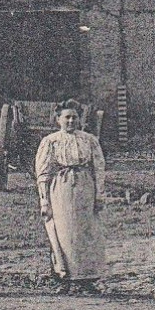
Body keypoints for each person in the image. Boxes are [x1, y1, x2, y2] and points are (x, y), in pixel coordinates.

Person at [36, 99, 107, 295]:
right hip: (61, 187)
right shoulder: (50, 141)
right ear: (58, 119)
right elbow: (43, 173)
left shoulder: (89, 140)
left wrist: (99, 193)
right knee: (64, 231)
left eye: (74, 117)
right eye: (66, 117)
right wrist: (44, 199)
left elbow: (99, 168)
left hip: (85, 186)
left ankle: (88, 278)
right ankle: (65, 277)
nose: (70, 121)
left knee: (87, 231)